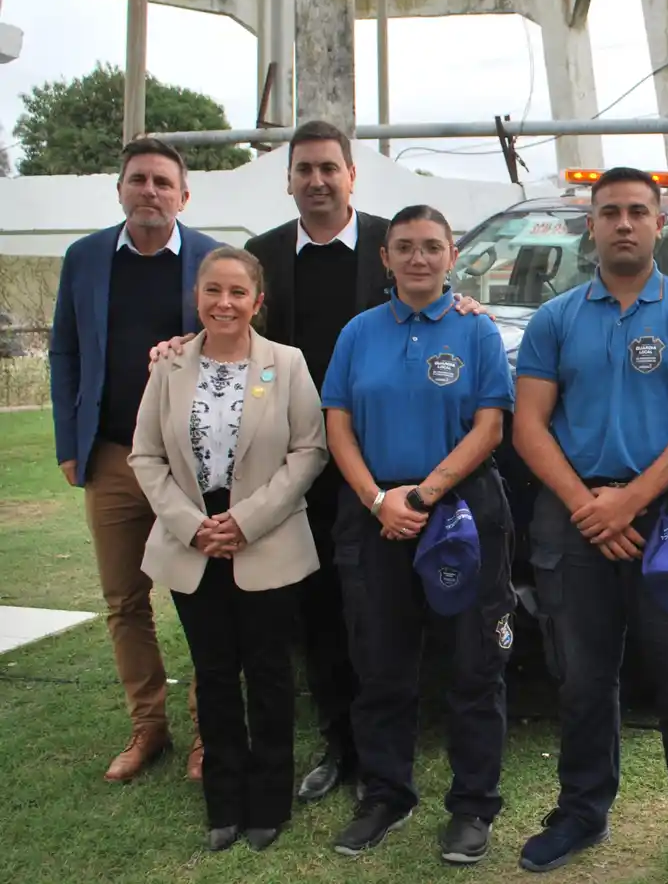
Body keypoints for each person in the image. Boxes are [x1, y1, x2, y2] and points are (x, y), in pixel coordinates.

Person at [147, 119, 494, 803]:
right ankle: (340, 745)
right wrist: (183, 345)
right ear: (289, 180)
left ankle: (403, 751)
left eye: (328, 168)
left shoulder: (389, 240)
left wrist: (463, 307)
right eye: (303, 170)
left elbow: (429, 297)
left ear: (350, 175)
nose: (316, 181)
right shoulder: (266, 252)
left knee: (399, 615)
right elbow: (234, 321)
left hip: (382, 458)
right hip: (292, 462)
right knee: (323, 611)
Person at [512, 167, 668, 884]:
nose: (623, 223)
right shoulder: (555, 320)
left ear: (659, 226)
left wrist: (629, 501)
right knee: (583, 680)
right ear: (590, 226)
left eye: (637, 212)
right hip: (574, 514)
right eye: (610, 212)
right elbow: (529, 426)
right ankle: (582, 812)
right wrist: (592, 506)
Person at [320, 204, 516, 867]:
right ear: (386, 257)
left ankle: (472, 805)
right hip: (375, 512)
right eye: (404, 246)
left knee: (472, 665)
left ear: (452, 253)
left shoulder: (476, 330)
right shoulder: (358, 333)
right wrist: (379, 499)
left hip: (459, 511)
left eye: (431, 246)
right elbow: (337, 425)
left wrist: (425, 495)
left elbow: (490, 428)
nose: (418, 258)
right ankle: (386, 794)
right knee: (379, 665)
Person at [128, 247, 327, 852]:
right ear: (197, 297)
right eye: (213, 290)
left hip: (265, 539)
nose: (225, 303)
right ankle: (224, 801)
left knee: (268, 674)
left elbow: (309, 450)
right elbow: (145, 455)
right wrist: (193, 524)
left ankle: (268, 801)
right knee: (214, 675)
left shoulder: (286, 364)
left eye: (238, 292)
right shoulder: (168, 368)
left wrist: (244, 521)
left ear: (257, 302)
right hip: (193, 542)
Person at [48, 137, 219, 783]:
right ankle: (148, 727)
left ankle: (210, 731)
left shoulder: (208, 258)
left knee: (198, 596)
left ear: (183, 195)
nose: (150, 192)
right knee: (125, 601)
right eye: (138, 180)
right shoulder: (85, 259)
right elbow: (64, 351)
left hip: (187, 465)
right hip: (113, 456)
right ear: (120, 188)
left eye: (162, 182)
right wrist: (70, 443)